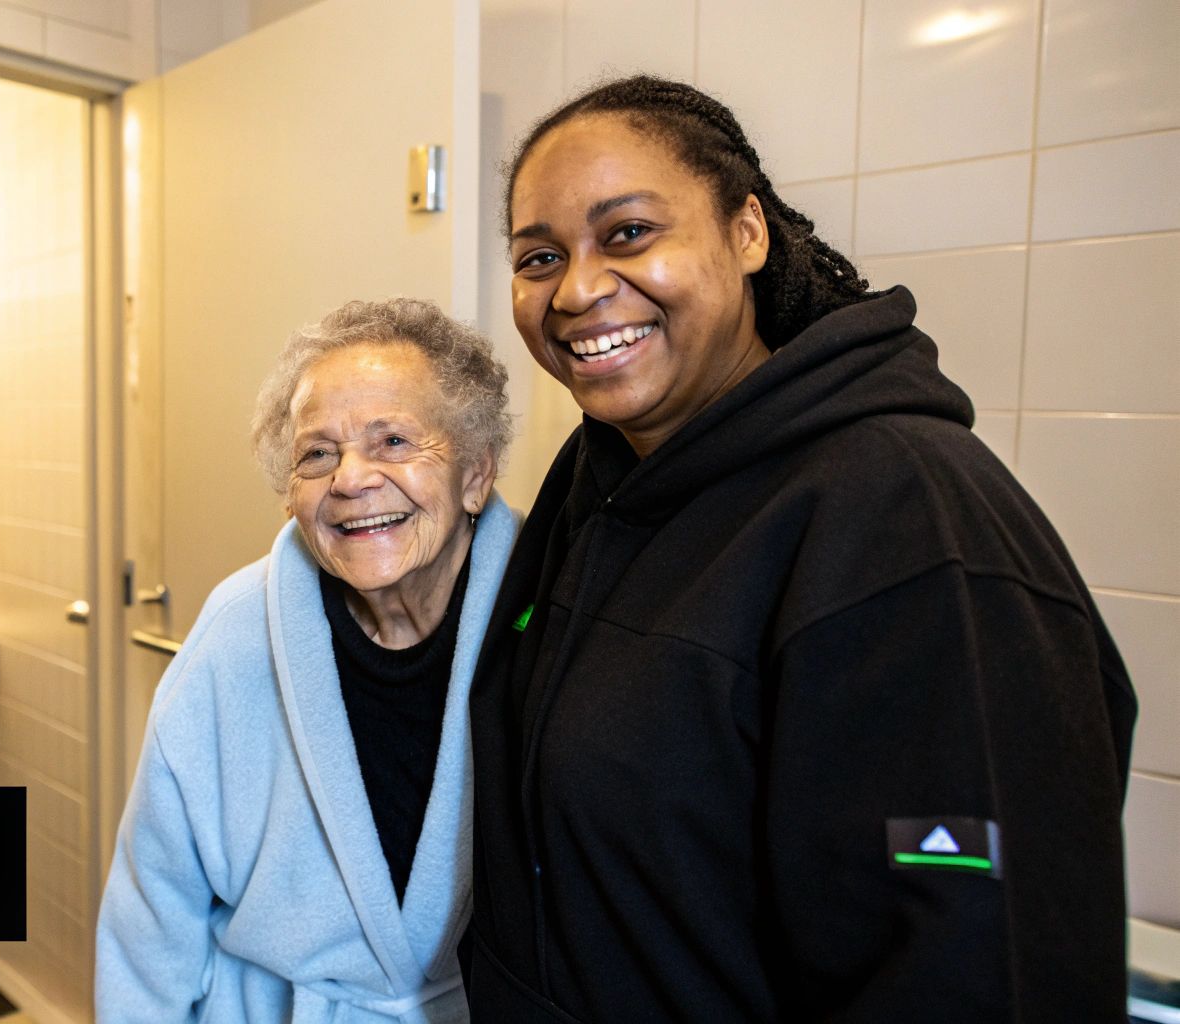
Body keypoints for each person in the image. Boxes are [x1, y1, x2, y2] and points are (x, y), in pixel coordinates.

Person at [461, 75, 1138, 1022]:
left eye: (628, 233)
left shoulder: (908, 511)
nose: (576, 290)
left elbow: (984, 967)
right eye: (539, 256)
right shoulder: (598, 478)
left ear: (747, 231)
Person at [97, 298, 517, 1022]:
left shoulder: (549, 617)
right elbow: (152, 908)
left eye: (391, 441)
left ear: (475, 475)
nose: (349, 479)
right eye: (317, 453)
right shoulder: (235, 635)